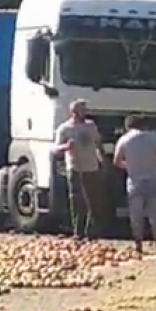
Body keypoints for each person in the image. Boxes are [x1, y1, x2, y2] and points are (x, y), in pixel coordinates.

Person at [53, 99, 107, 240]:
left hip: (91, 167)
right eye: (82, 109)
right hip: (75, 167)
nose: (85, 112)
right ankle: (78, 232)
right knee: (77, 200)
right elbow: (55, 149)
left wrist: (103, 160)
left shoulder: (91, 126)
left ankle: (92, 232)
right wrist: (66, 147)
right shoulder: (64, 129)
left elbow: (98, 144)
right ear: (74, 112)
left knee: (94, 200)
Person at [114, 114, 156, 255]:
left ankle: (139, 245)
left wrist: (129, 165)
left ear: (127, 126)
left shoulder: (124, 140)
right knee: (155, 214)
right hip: (153, 179)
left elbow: (117, 161)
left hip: (134, 181)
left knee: (136, 214)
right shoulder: (152, 138)